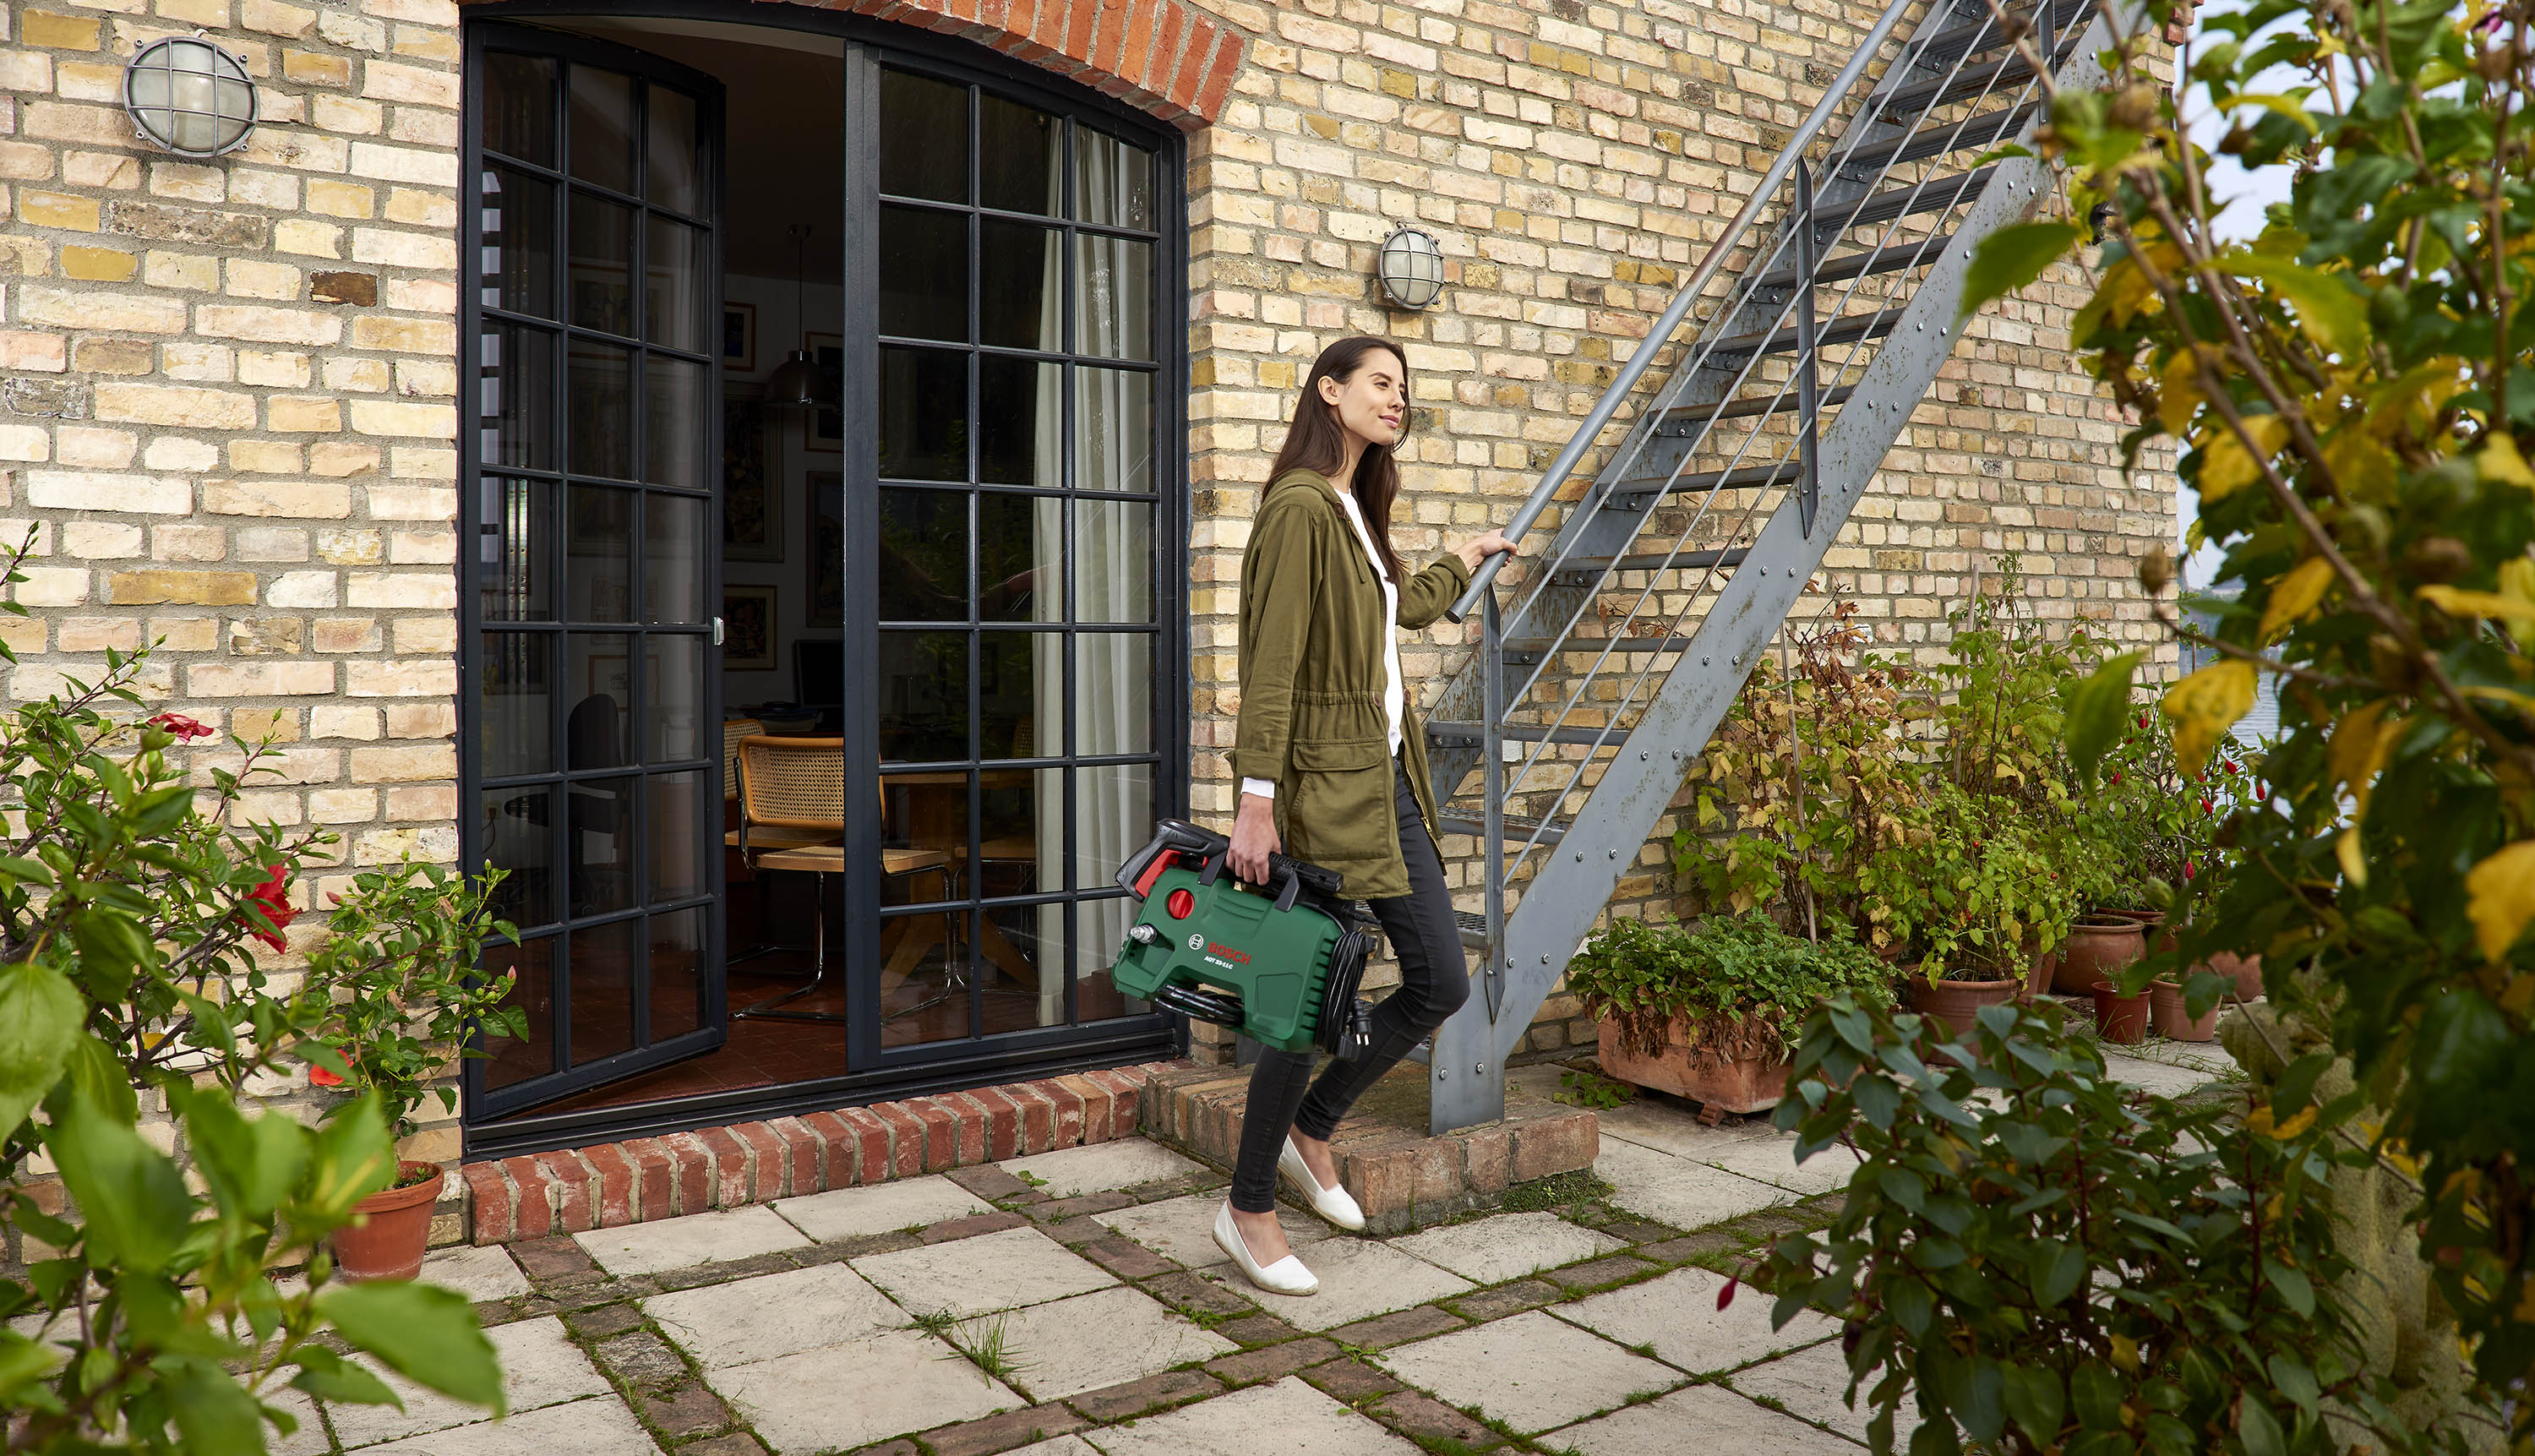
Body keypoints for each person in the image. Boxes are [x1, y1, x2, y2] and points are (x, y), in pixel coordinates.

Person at [1213, 335, 1517, 1295]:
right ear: (1328, 392)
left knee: (1439, 979)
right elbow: (1272, 663)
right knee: (1306, 1003)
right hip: (1323, 789)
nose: (1398, 399)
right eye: (1380, 383)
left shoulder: (1349, 506)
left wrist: (1453, 563)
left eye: (1404, 388)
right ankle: (1247, 1206)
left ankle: (1315, 1126)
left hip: (1389, 782)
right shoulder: (1299, 507)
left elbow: (1386, 618)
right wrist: (1255, 801)